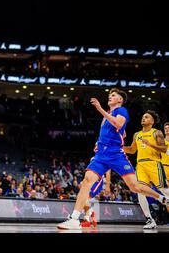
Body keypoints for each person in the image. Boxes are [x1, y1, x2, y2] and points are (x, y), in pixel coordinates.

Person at [57, 88, 169, 229]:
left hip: (116, 154)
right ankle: (74, 219)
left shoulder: (121, 111)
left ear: (120, 100)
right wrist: (99, 143)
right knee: (87, 180)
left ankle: (162, 198)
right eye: (109, 95)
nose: (110, 97)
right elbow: (118, 132)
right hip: (101, 155)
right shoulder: (108, 115)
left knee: (134, 187)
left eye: (113, 95)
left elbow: (119, 124)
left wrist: (99, 108)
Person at [122, 111, 169, 229]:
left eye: (146, 117)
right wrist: (120, 148)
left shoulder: (156, 133)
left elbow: (163, 148)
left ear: (152, 121)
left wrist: (150, 144)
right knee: (140, 191)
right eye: (143, 117)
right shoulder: (137, 135)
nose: (143, 118)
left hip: (154, 164)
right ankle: (149, 219)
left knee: (164, 190)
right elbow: (132, 150)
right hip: (141, 165)